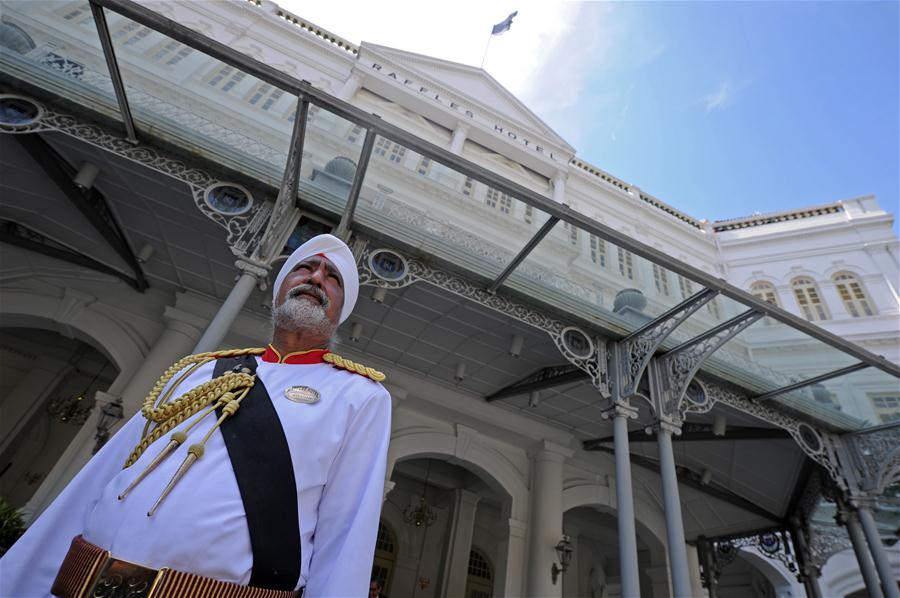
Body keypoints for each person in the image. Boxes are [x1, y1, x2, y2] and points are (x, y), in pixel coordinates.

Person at [0, 234, 392, 598]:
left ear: (341, 311)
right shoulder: (198, 371)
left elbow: (346, 531)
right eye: (304, 268)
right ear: (278, 291)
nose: (316, 277)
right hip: (87, 579)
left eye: (333, 278)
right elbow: (107, 472)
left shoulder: (359, 396)